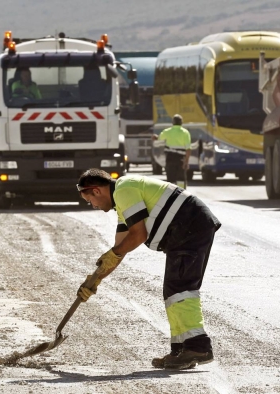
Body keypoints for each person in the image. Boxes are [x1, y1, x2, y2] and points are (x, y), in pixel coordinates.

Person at [76, 169, 221, 370]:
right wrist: (95, 280)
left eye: (89, 200)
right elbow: (118, 251)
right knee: (173, 292)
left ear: (96, 190)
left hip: (189, 226)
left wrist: (110, 258)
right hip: (186, 229)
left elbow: (138, 235)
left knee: (181, 288)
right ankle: (181, 351)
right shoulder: (122, 203)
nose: (92, 205)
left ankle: (199, 347)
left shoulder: (124, 190)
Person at [153, 114, 191, 189]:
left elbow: (159, 138)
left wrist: (155, 137)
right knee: (181, 180)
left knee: (171, 180)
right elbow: (188, 149)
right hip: (181, 160)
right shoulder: (185, 133)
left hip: (170, 159)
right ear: (181, 122)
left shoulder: (167, 131)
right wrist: (186, 162)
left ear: (173, 122)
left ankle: (171, 195)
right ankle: (182, 195)